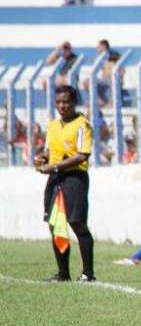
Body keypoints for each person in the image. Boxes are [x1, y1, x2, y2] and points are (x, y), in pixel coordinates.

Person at [35, 85, 95, 282]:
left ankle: (88, 273)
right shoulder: (52, 125)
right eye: (59, 102)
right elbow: (49, 151)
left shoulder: (81, 124)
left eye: (66, 102)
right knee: (56, 224)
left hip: (74, 178)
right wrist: (42, 158)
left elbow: (82, 155)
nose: (62, 106)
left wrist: (55, 167)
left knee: (76, 222)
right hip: (56, 178)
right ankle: (63, 273)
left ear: (74, 102)